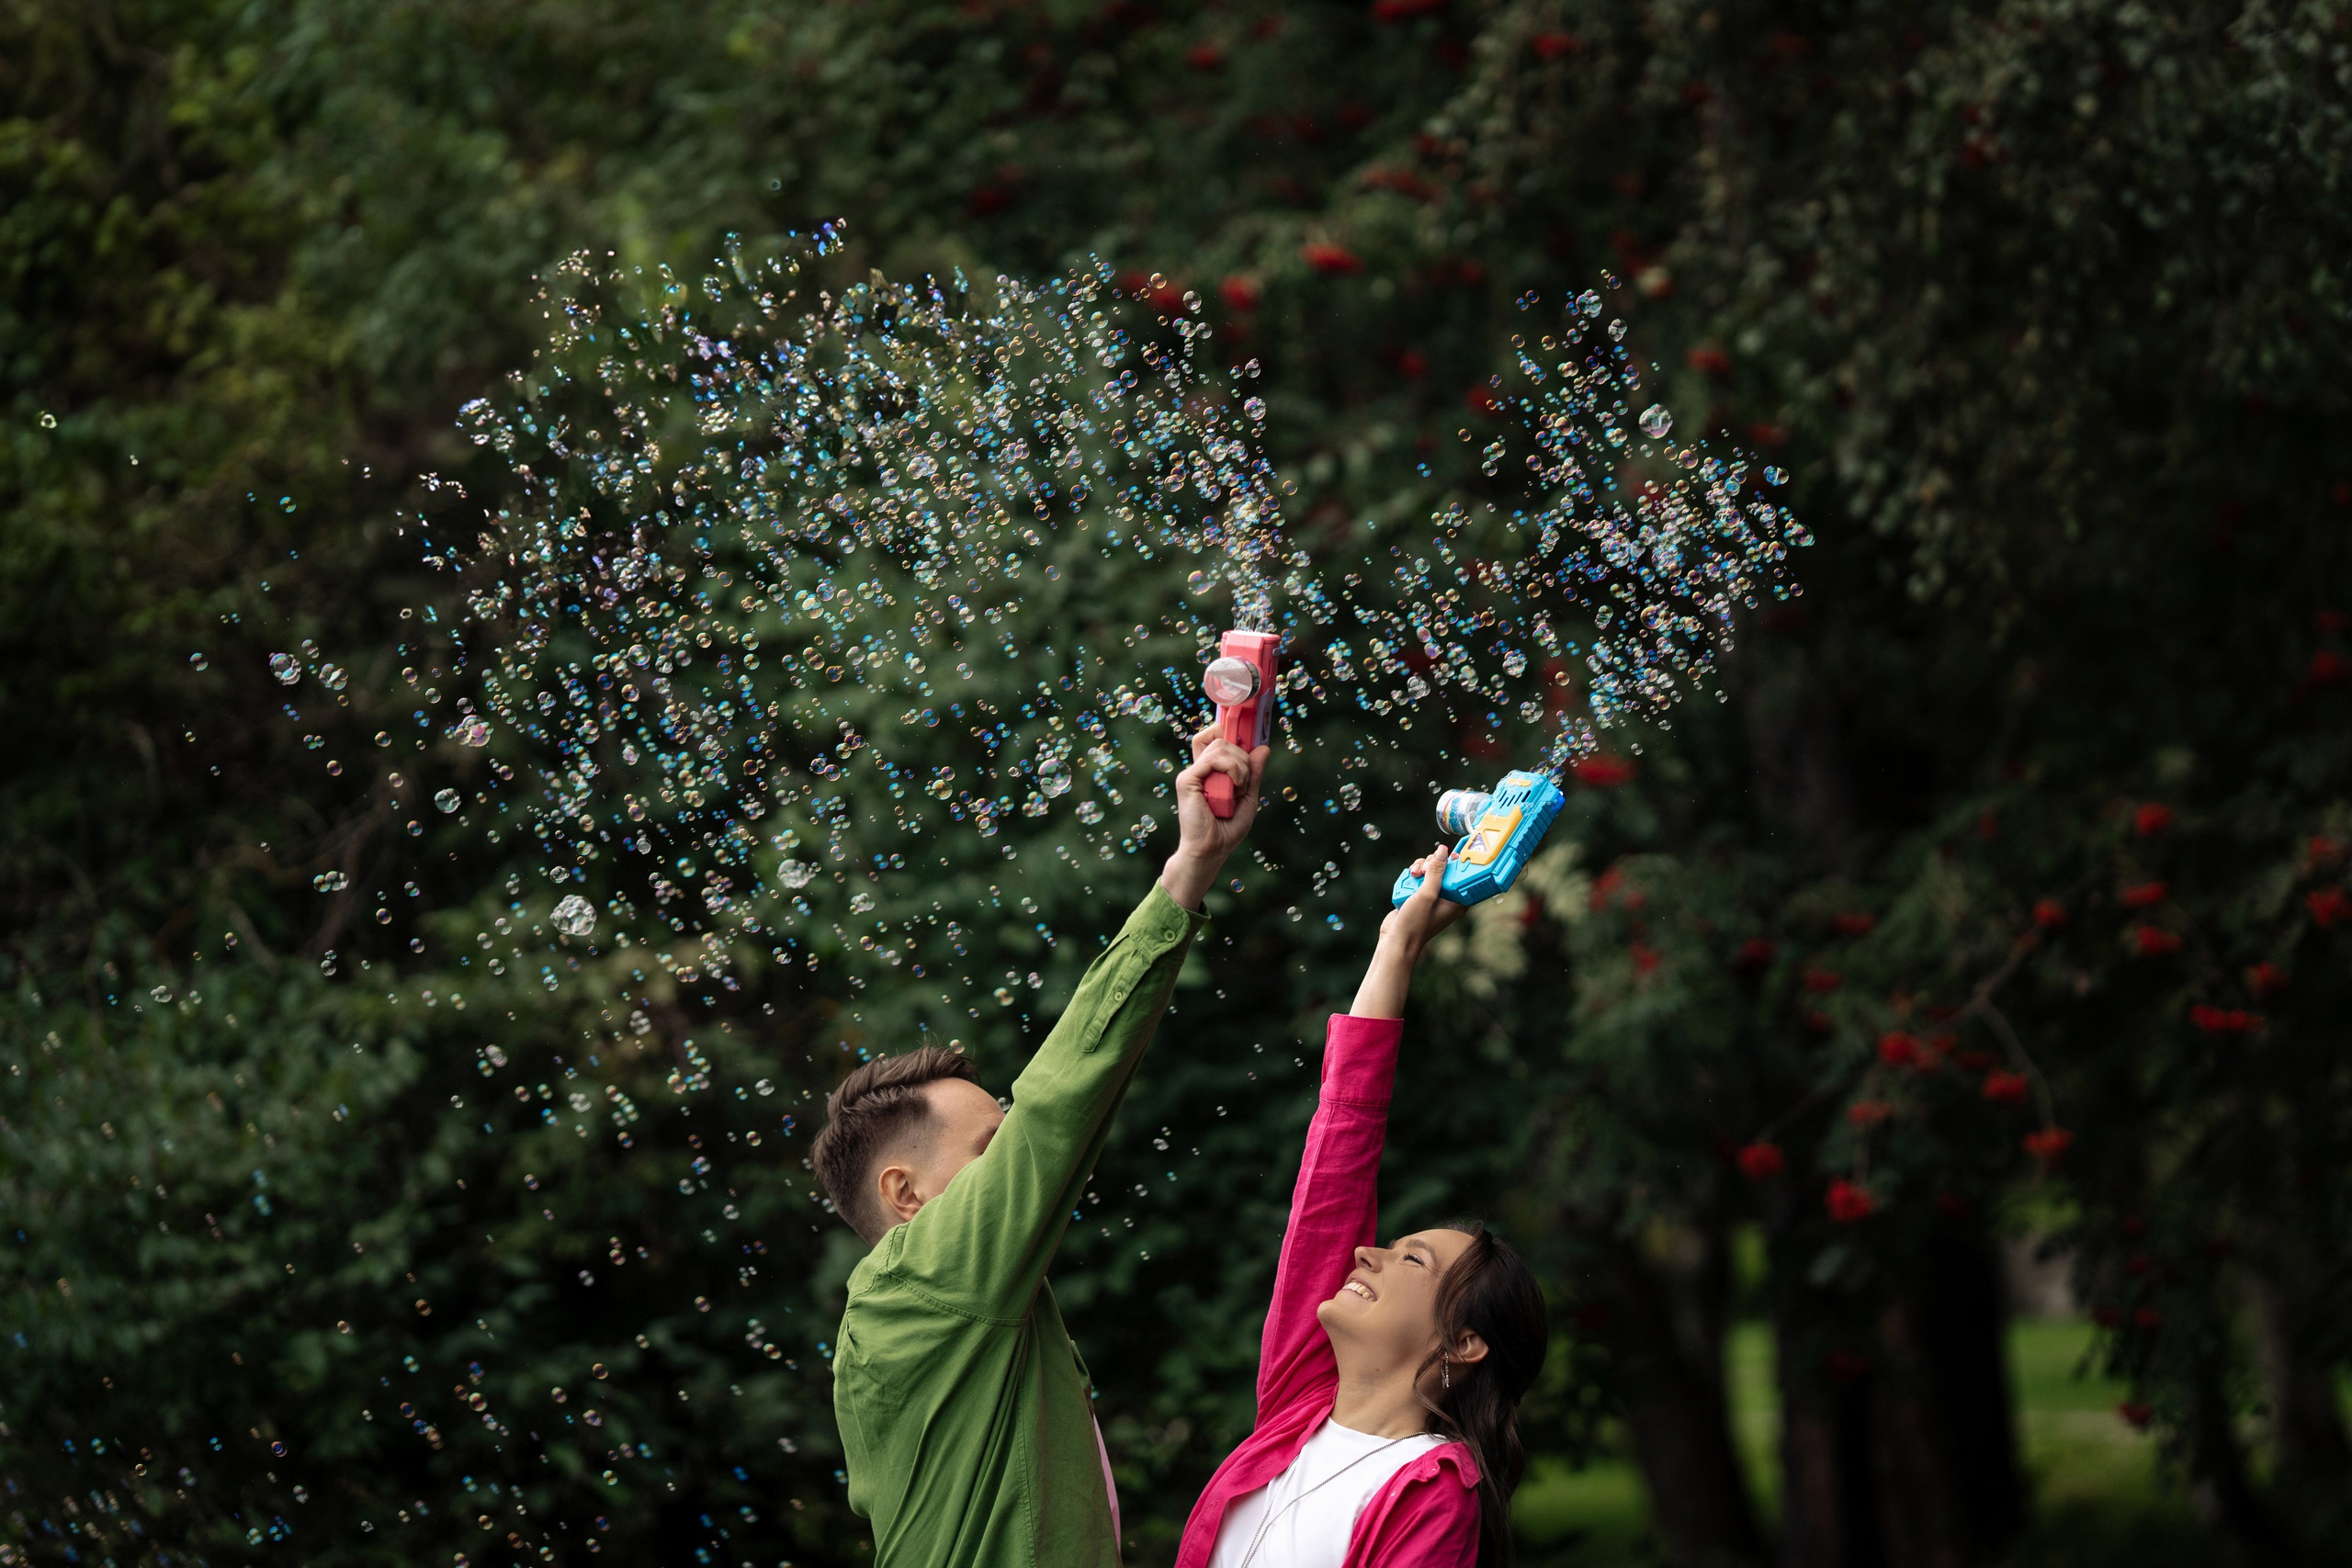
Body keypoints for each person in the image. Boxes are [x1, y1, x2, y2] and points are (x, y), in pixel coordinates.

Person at [812, 721, 1272, 1568]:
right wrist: (1187, 874)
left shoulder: (960, 1309)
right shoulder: (920, 1279)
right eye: (991, 1143)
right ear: (904, 1194)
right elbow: (1060, 1102)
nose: (1015, 1151)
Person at [1177, 845, 1550, 1568]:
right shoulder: (1299, 1403)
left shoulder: (1434, 1489)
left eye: (1410, 1256)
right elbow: (1339, 1158)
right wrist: (1396, 943)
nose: (1364, 1251)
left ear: (1463, 1341)